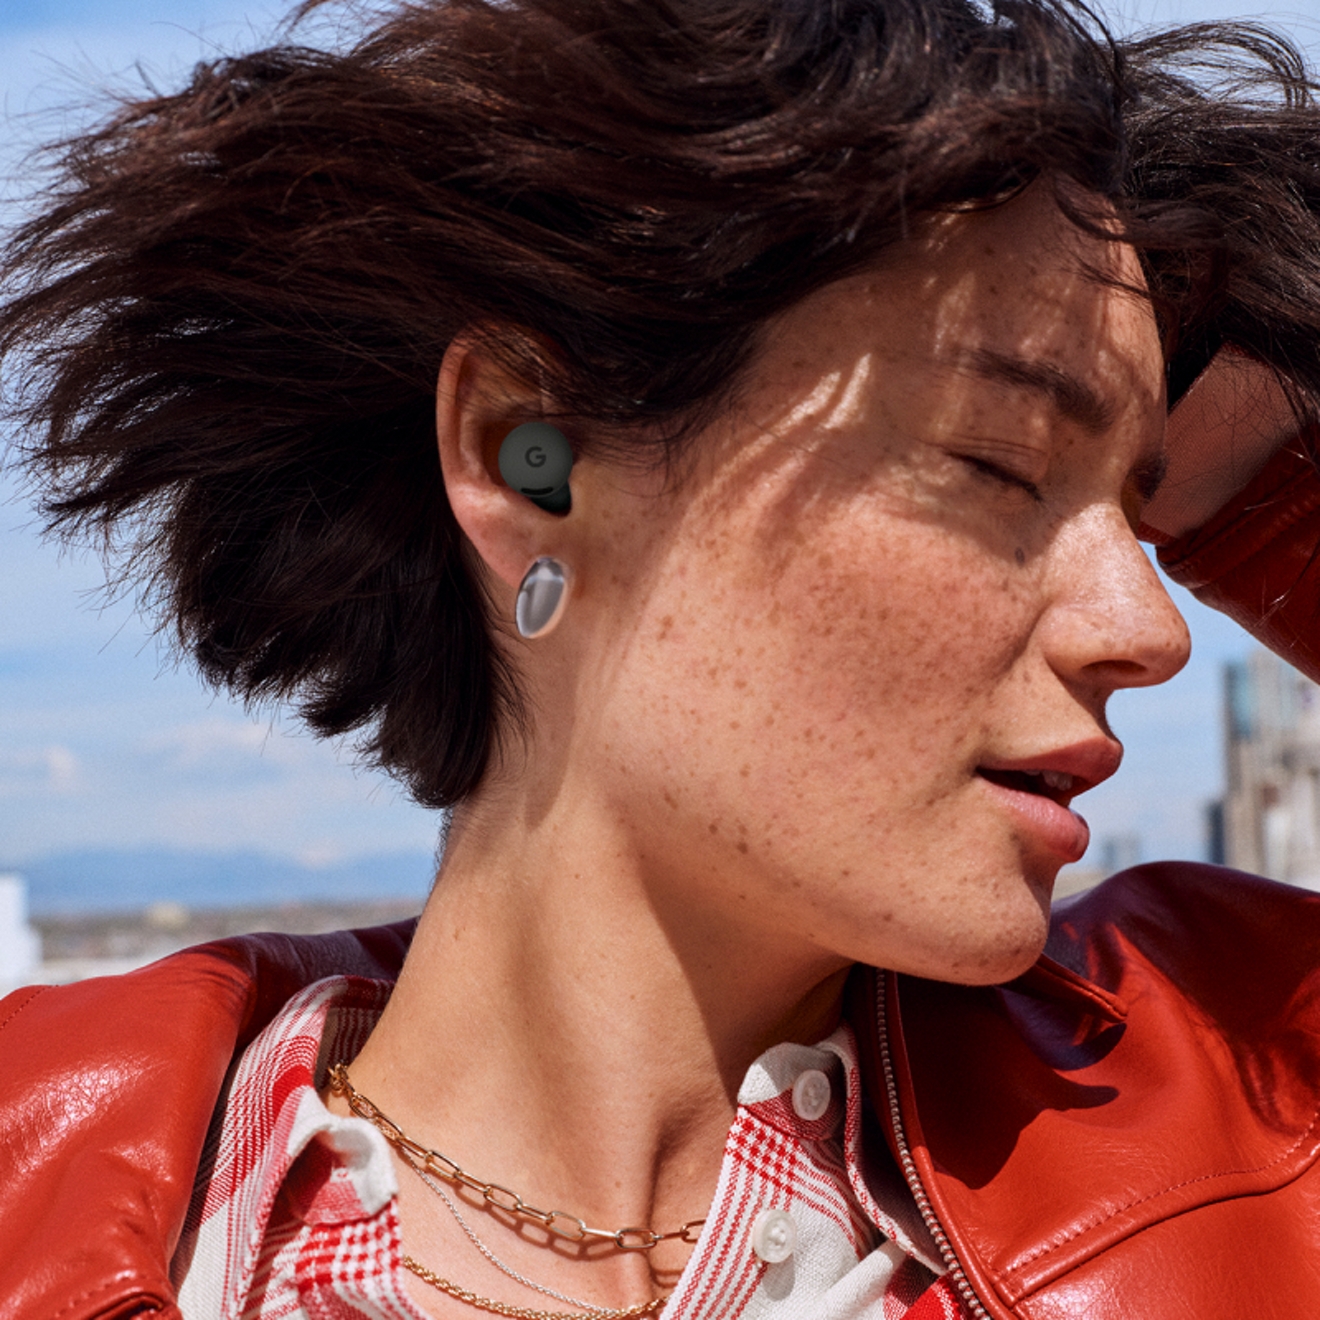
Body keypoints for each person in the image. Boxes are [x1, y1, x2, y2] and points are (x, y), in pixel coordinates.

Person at [2, 1, 1320, 1317]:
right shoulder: (57, 1197)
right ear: (531, 457)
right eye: (999, 463)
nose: (1150, 630)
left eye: (1144, 510)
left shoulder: (1258, 1081)